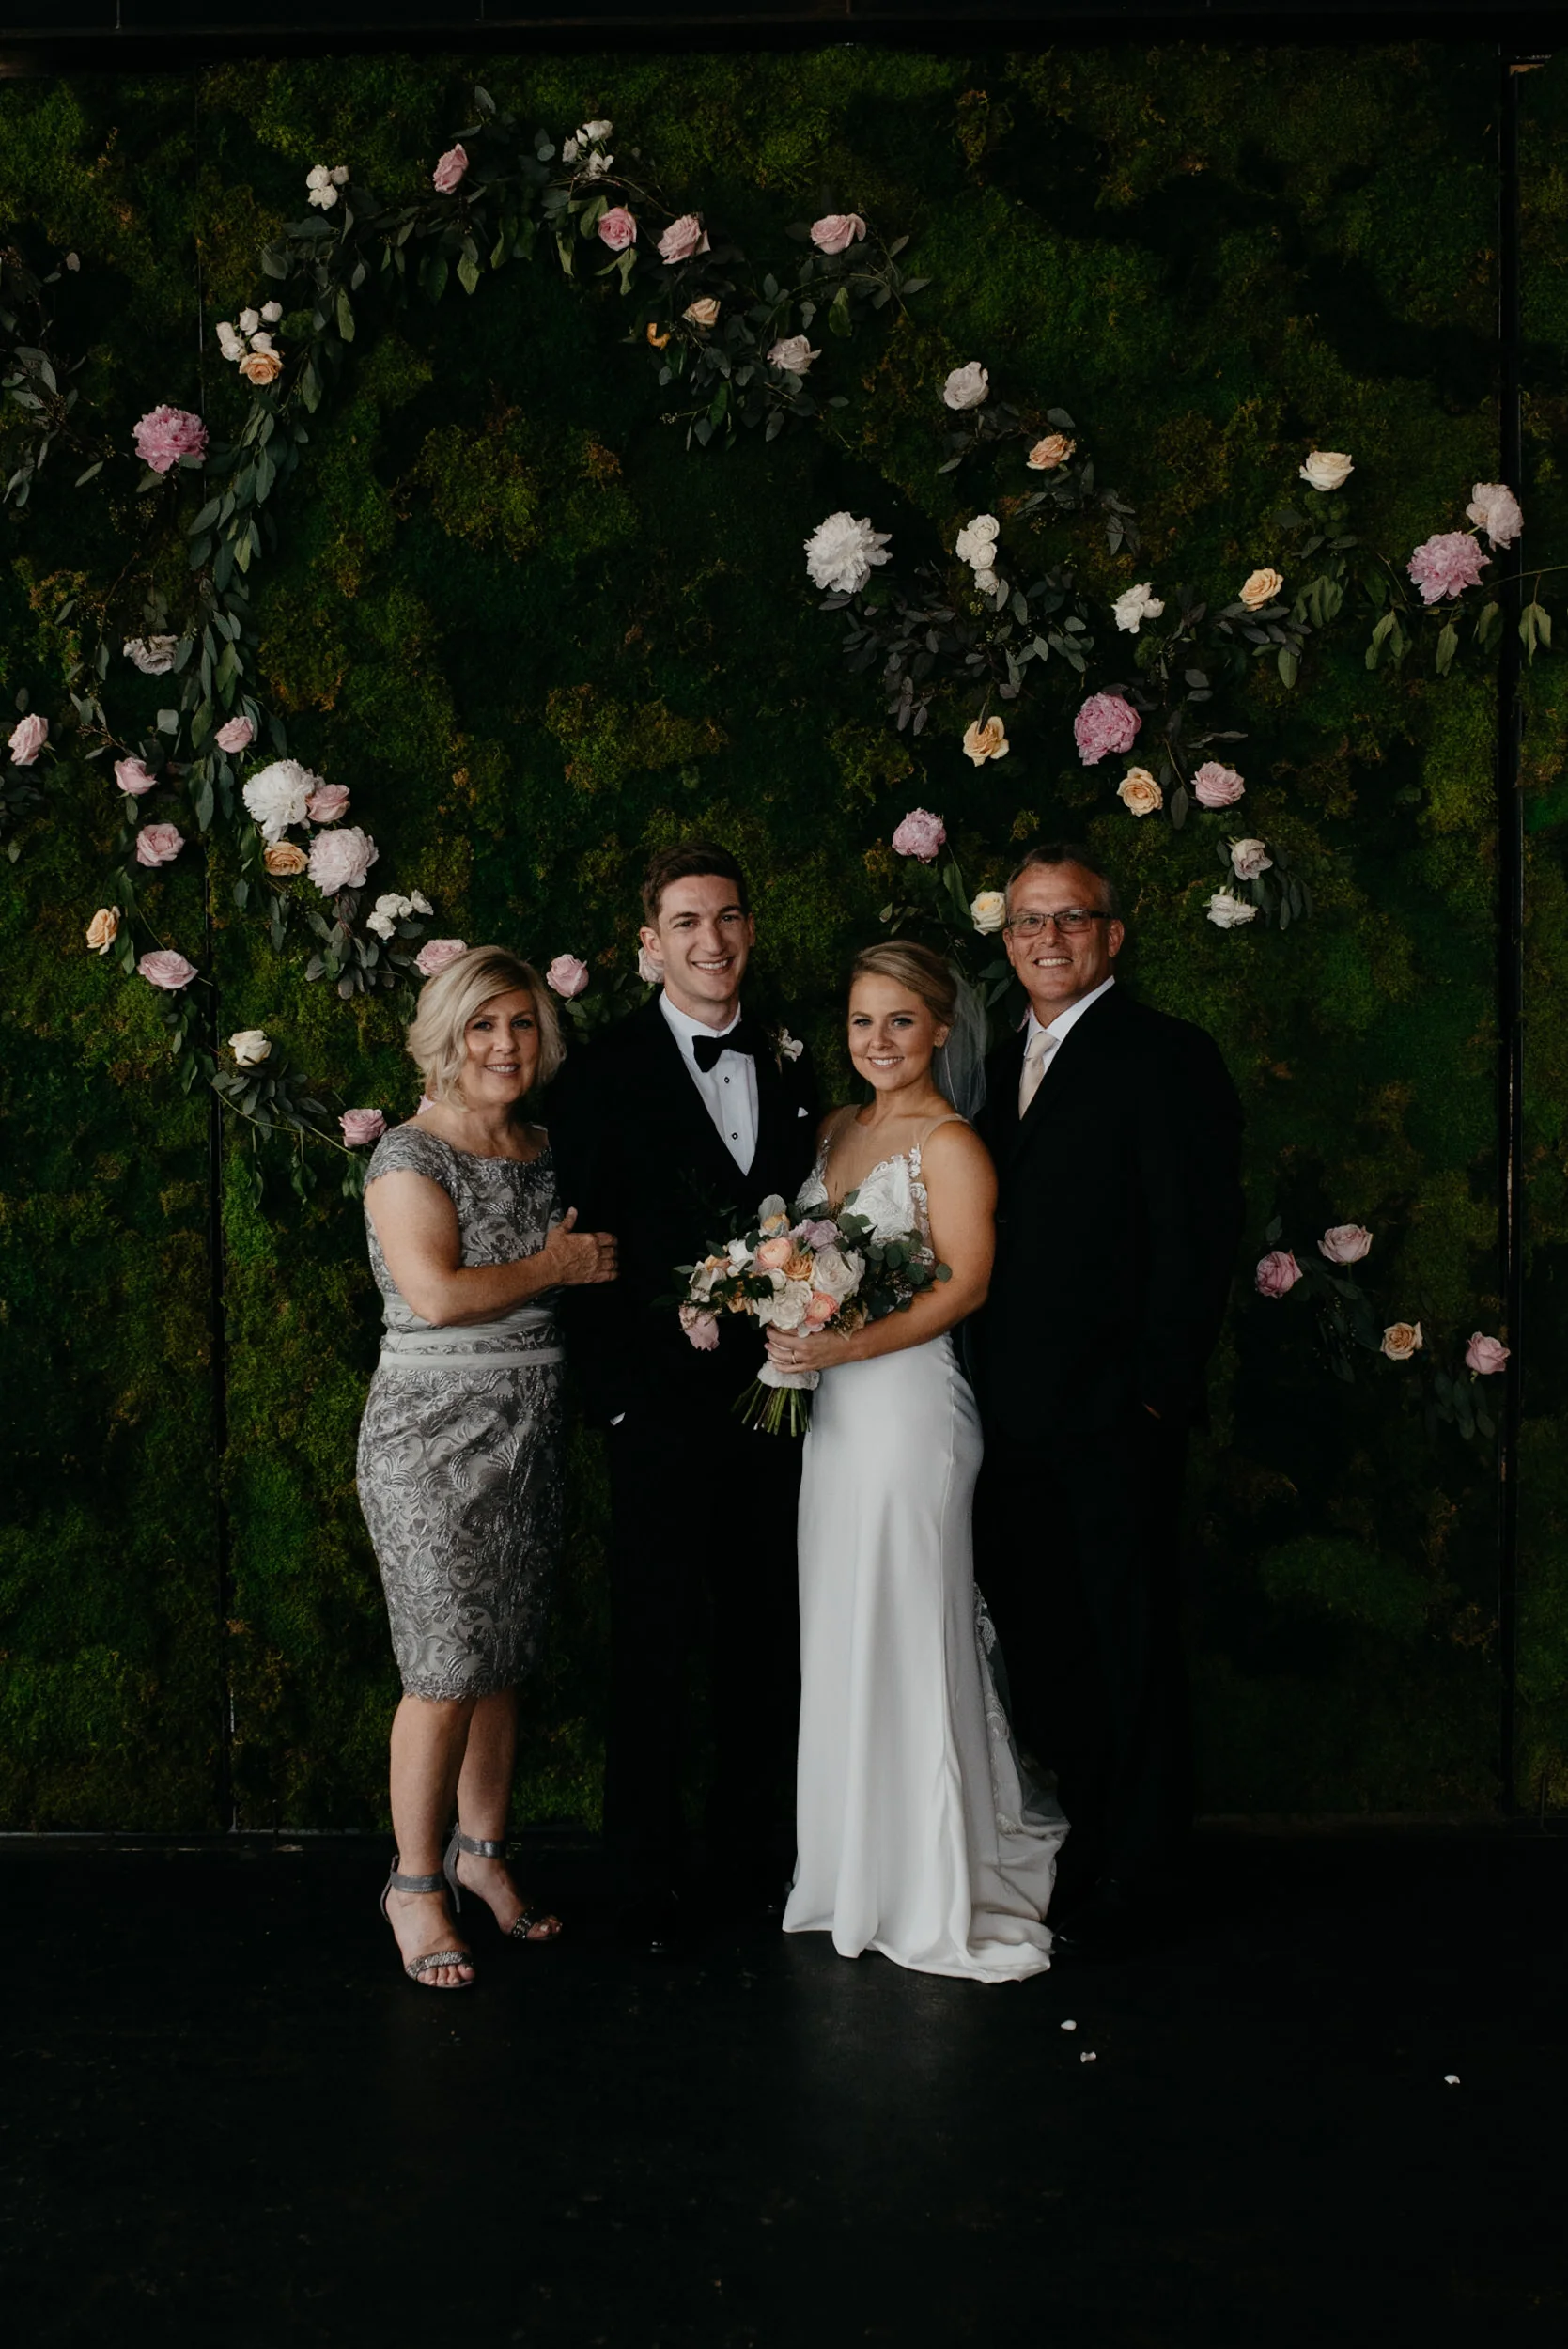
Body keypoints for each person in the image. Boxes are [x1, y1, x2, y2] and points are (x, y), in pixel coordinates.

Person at [768, 941, 1065, 1982]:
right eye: (862, 1021)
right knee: (843, 1626)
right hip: (836, 1417)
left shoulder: (951, 1142)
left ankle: (926, 1878)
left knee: (904, 1625)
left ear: (941, 1028)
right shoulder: (834, 1128)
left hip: (909, 1413)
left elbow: (966, 1285)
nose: (878, 1040)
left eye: (900, 1020)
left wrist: (842, 1349)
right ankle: (849, 1867)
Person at [547, 843, 819, 1954]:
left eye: (729, 917)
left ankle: (755, 1861)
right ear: (648, 945)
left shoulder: (796, 1057)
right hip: (655, 1411)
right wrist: (617, 1401)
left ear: (749, 929)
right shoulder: (599, 1072)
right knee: (654, 1643)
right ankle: (643, 1881)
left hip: (780, 1407)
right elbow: (577, 1249)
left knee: (767, 1636)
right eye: (688, 922)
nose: (713, 939)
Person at [973, 845, 1245, 1956]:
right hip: (1004, 1418)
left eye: (1071, 918)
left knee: (1128, 1640)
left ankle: (1145, 1869)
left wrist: (1154, 1400)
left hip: (1113, 1417)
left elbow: (1198, 1237)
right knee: (1047, 1640)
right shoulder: (992, 1061)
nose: (1049, 938)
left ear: (1112, 935)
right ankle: (1086, 1842)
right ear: (1007, 940)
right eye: (1029, 921)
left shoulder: (1168, 1055)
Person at [357, 946, 617, 1988]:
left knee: (502, 1657)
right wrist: (555, 1265)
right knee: (442, 1666)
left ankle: (483, 1854)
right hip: (431, 1441)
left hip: (532, 1431)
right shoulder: (408, 1156)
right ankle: (414, 1885)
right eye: (482, 1024)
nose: (505, 1044)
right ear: (445, 1036)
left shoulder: (549, 1148)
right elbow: (436, 1295)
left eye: (520, 1023)